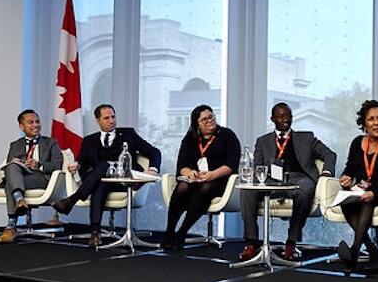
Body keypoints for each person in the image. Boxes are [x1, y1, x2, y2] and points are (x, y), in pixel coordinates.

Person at [238, 103, 337, 262]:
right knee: (246, 190)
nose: (286, 119)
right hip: (271, 180)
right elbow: (258, 167)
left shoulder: (306, 138)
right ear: (273, 119)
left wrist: (326, 172)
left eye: (288, 116)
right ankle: (251, 243)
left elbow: (330, 155)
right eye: (281, 116)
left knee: (306, 188)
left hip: (298, 179)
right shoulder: (263, 141)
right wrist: (259, 177)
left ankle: (291, 242)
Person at [53, 104, 162, 247]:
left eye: (113, 117)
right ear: (98, 121)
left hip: (123, 182)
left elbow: (154, 152)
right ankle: (95, 233)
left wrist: (153, 168)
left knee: (104, 167)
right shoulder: (89, 140)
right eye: (106, 118)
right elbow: (82, 165)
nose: (111, 121)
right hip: (100, 180)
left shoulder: (129, 134)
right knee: (101, 180)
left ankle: (73, 201)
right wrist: (76, 166)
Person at [335, 100, 378, 272]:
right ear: (364, 124)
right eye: (371, 119)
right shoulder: (357, 142)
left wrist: (374, 192)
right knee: (346, 200)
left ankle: (354, 251)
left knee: (366, 201)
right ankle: (374, 252)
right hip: (359, 190)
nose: (377, 123)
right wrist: (346, 178)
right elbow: (350, 169)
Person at [163, 105, 241, 251]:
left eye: (211, 117)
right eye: (204, 119)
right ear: (196, 123)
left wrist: (212, 175)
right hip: (196, 179)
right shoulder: (190, 138)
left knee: (206, 188)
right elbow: (181, 165)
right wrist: (189, 173)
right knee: (183, 186)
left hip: (219, 179)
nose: (210, 121)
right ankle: (169, 231)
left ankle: (182, 232)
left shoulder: (227, 135)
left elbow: (231, 165)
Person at [0, 110, 64, 244]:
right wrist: (20, 163)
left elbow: (57, 165)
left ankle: (10, 226)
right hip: (22, 178)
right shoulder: (15, 145)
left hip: (42, 178)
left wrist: (38, 165)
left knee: (11, 183)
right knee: (12, 168)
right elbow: (11, 167)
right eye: (31, 122)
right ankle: (20, 200)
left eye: (37, 121)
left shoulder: (50, 143)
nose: (35, 125)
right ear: (22, 126)